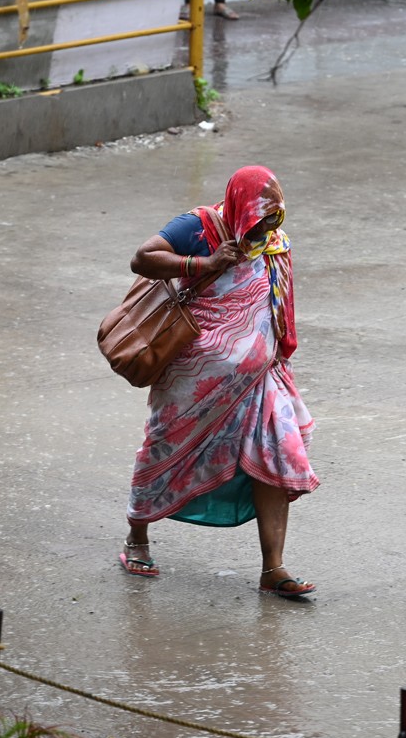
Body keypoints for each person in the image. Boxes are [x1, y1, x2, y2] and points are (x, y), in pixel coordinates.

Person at [121, 165, 318, 596]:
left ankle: (274, 569)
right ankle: (137, 537)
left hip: (260, 382)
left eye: (274, 218)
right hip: (193, 384)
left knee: (275, 456)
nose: (266, 227)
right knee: (163, 450)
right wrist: (204, 262)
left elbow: (278, 306)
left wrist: (277, 354)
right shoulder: (200, 227)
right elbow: (142, 258)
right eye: (259, 218)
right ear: (238, 208)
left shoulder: (273, 244)